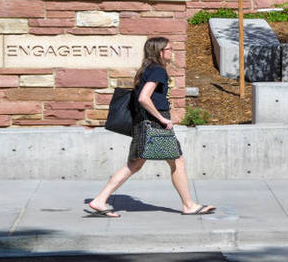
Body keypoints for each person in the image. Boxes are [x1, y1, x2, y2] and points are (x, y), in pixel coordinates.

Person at [85, 36, 215, 217]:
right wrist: (162, 118)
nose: (172, 52)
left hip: (143, 123)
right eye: (169, 49)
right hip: (155, 125)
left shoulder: (146, 70)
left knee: (135, 164)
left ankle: (100, 200)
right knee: (177, 162)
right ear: (160, 52)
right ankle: (189, 205)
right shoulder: (158, 71)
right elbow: (144, 98)